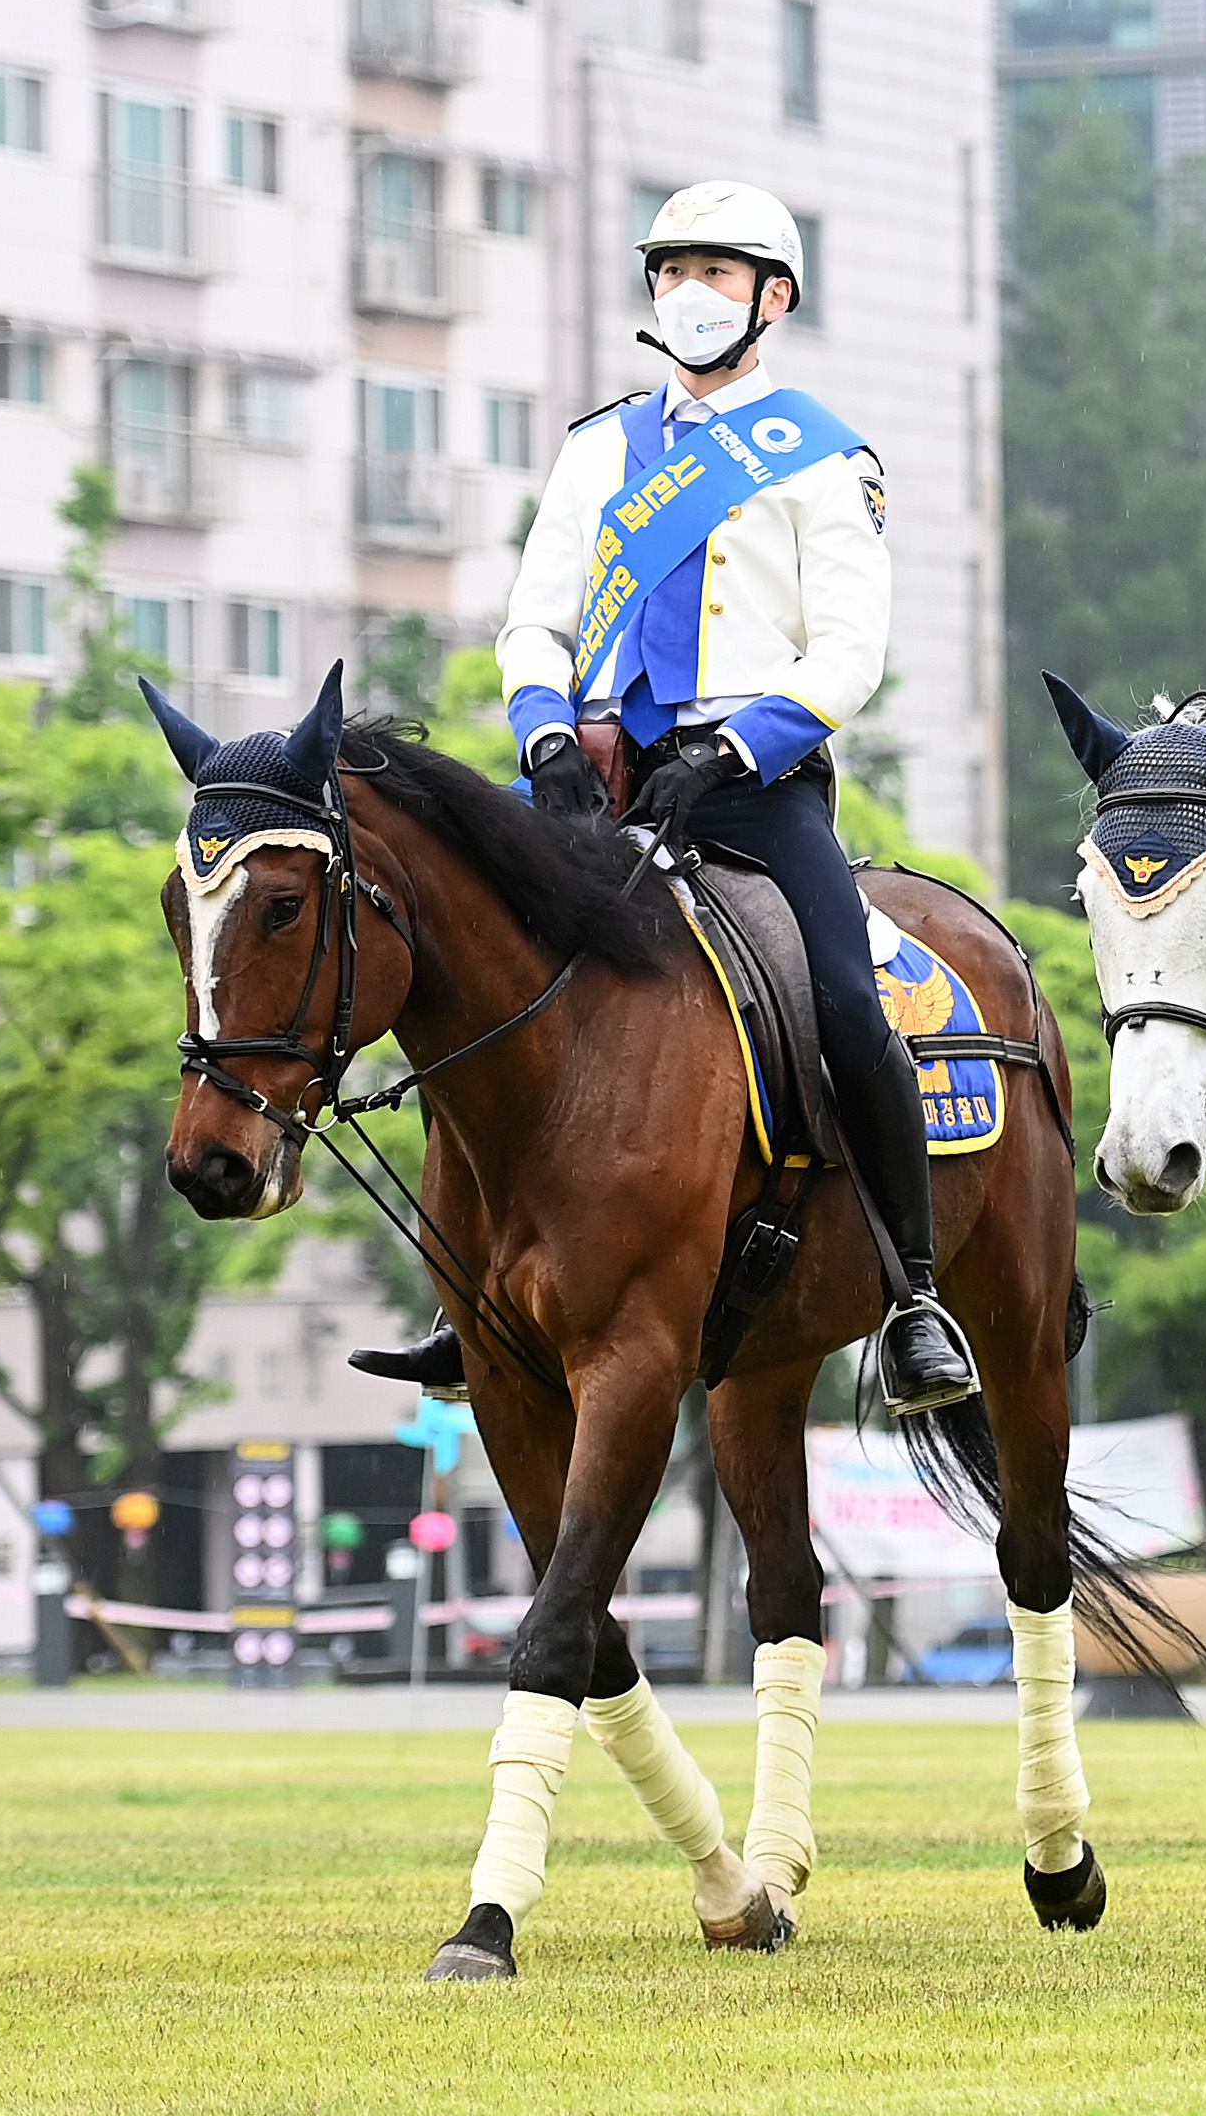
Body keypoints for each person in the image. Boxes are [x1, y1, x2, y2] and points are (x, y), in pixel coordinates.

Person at [347, 180, 978, 1418]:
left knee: (848, 999)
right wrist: (540, 732)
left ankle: (910, 1297)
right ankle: (466, 1286)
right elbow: (533, 616)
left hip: (752, 787)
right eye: (670, 270)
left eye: (716, 271)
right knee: (478, 994)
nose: (687, 292)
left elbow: (847, 652)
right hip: (596, 784)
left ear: (772, 297)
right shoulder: (598, 449)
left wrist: (735, 750)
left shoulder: (820, 458)